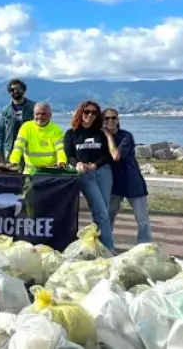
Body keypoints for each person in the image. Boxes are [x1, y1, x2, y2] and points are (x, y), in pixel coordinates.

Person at [64, 100, 118, 252]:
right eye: (87, 111)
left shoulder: (100, 133)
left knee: (102, 212)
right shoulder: (71, 133)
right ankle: (109, 248)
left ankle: (97, 245)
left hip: (104, 172)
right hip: (85, 175)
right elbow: (69, 155)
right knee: (100, 210)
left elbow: (107, 154)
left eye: (94, 112)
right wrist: (78, 164)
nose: (90, 115)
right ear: (80, 113)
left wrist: (96, 165)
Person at [103, 108, 151, 244]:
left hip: (132, 182)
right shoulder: (99, 138)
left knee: (142, 220)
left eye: (113, 118)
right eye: (107, 118)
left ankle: (145, 246)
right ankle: (105, 245)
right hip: (113, 184)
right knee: (108, 218)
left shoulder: (126, 136)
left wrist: (108, 136)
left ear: (118, 120)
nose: (110, 120)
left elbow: (116, 156)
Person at [8, 102, 66, 173]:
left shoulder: (56, 129)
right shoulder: (26, 127)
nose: (40, 117)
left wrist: (62, 161)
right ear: (33, 115)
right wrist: (14, 161)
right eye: (37, 114)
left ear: (50, 115)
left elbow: (60, 149)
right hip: (30, 172)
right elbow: (18, 146)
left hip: (51, 172)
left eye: (43, 114)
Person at [0, 78, 36, 160]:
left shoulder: (34, 107)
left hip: (29, 148)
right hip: (10, 150)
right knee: (10, 172)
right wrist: (0, 152)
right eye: (12, 89)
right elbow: (1, 132)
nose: (15, 91)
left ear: (24, 90)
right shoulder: (6, 110)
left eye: (18, 88)